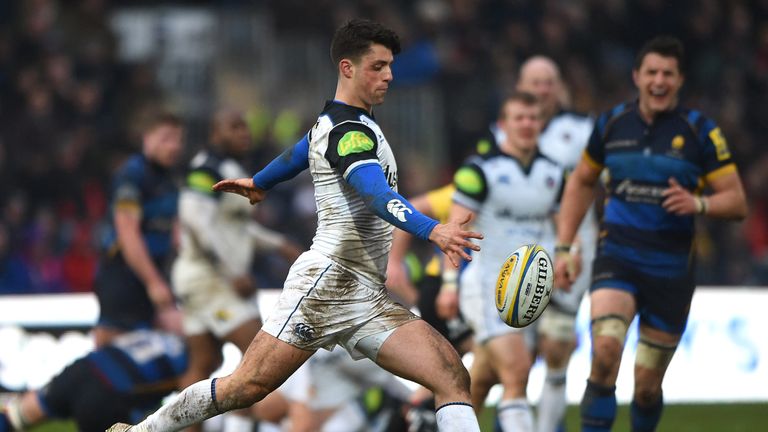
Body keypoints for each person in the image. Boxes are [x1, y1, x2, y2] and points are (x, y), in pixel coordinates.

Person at [107, 18, 483, 432]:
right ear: (347, 68)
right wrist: (434, 229)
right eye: (377, 66)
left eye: (390, 65)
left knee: (451, 374)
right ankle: (142, 431)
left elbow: (301, 149)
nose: (389, 75)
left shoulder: (333, 123)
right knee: (245, 387)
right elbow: (375, 194)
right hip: (326, 286)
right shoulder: (351, 134)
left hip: (367, 295)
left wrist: (260, 181)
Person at [553, 36, 747, 432]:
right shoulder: (611, 124)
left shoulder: (700, 132)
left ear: (680, 81)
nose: (659, 81)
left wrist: (700, 204)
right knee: (605, 353)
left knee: (646, 387)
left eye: (668, 74)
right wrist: (564, 245)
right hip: (617, 259)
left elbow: (737, 201)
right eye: (652, 73)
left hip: (670, 271)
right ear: (636, 77)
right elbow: (581, 182)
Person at [172, 109, 303, 431]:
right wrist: (230, 272)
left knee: (202, 365)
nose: (244, 132)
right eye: (234, 126)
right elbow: (196, 222)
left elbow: (236, 230)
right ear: (215, 132)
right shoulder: (206, 169)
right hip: (210, 279)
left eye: (245, 126)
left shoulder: (230, 168)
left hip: (201, 279)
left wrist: (279, 244)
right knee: (261, 358)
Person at [444, 91, 565, 432]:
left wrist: (566, 259)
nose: (526, 124)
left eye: (532, 118)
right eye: (519, 118)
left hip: (530, 290)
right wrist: (448, 285)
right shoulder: (479, 171)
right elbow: (455, 231)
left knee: (481, 380)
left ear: (540, 125)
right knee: (517, 371)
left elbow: (557, 228)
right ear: (503, 125)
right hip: (487, 288)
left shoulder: (553, 173)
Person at [515, 56, 595, 432]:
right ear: (520, 85)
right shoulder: (508, 130)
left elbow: (601, 185)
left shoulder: (581, 130)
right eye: (535, 81)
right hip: (518, 252)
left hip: (573, 246)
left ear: (559, 87)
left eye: (549, 81)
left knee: (557, 345)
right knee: (517, 354)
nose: (542, 89)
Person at [93, 112, 185, 348]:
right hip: (124, 276)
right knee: (113, 350)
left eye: (177, 140)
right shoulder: (132, 175)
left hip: (155, 275)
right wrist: (153, 282)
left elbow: (174, 232)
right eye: (166, 138)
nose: (174, 146)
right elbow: (128, 234)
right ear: (147, 138)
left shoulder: (171, 178)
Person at [0, 329, 188, 432]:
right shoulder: (194, 360)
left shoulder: (156, 332)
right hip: (109, 394)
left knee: (17, 416)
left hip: (84, 368)